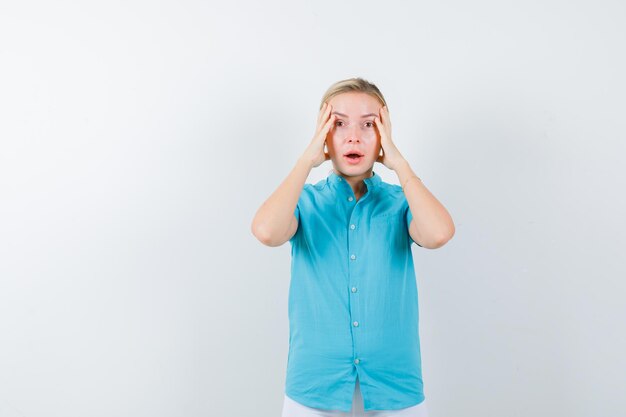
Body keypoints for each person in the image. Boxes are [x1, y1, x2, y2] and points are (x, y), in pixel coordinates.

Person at [251, 77, 455, 417]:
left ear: (384, 138)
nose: (353, 136)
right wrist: (306, 161)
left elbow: (438, 234)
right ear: (324, 137)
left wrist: (400, 164)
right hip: (315, 386)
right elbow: (266, 231)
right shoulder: (304, 202)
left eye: (369, 125)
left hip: (395, 386)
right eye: (339, 124)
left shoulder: (401, 203)